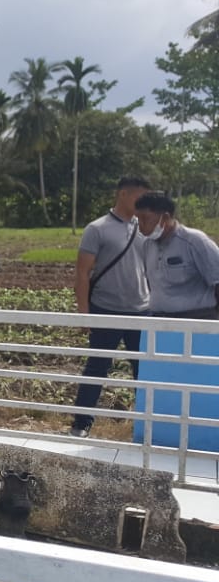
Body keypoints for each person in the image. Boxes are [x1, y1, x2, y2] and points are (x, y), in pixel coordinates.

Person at [70, 177, 151, 438]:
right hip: (106, 308)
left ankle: (147, 424)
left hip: (141, 310)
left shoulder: (147, 228)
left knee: (145, 370)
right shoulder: (98, 229)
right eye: (140, 197)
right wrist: (84, 314)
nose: (144, 203)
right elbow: (83, 273)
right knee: (97, 367)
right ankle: (81, 424)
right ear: (123, 194)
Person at [135, 191, 219, 319]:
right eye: (138, 219)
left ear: (165, 217)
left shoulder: (195, 241)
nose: (140, 226)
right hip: (157, 320)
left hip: (196, 319)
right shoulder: (147, 244)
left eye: (145, 219)